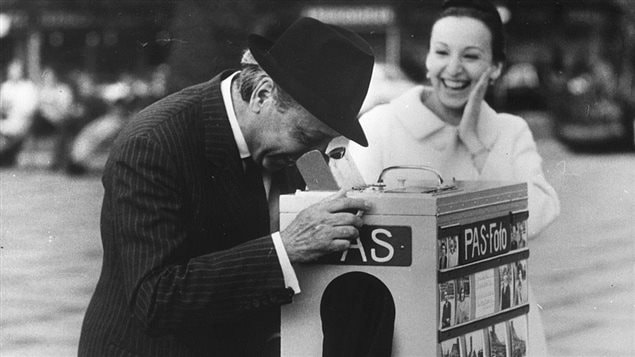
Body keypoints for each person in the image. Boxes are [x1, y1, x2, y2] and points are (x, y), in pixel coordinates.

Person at [78, 17, 375, 356]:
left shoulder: (305, 153)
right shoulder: (153, 144)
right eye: (305, 137)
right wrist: (286, 249)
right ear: (263, 94)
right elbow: (155, 299)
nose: (312, 157)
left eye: (325, 145)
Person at [346, 1, 557, 355]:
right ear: (427, 60)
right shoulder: (380, 126)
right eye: (441, 52)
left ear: (495, 68)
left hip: (493, 317)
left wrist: (476, 145)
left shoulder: (508, 131)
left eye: (471, 56)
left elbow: (534, 217)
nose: (453, 69)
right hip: (405, 319)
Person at [0, 60, 38, 166]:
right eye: (12, 70)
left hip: (23, 121)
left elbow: (30, 109)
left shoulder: (28, 87)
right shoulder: (4, 87)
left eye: (17, 70)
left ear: (21, 72)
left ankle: (6, 157)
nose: (14, 73)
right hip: (6, 120)